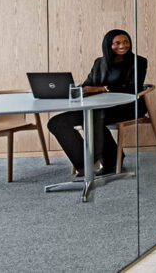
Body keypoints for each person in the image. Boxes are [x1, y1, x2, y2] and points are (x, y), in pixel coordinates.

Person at [47, 29, 147, 176]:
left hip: (128, 107)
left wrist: (102, 88)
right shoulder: (99, 62)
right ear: (108, 45)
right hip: (98, 107)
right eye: (117, 43)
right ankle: (86, 165)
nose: (123, 46)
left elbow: (134, 87)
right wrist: (74, 90)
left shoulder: (139, 61)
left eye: (126, 42)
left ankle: (109, 162)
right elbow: (89, 84)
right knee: (56, 122)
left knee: (94, 116)